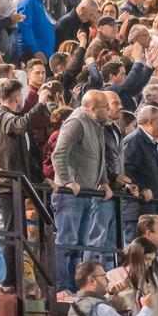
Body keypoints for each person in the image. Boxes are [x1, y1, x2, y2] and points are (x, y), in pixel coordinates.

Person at [52, 90, 112, 289]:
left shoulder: (97, 124)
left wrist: (104, 182)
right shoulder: (76, 122)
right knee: (67, 242)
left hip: (87, 193)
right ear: (93, 108)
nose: (109, 110)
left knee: (80, 244)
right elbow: (59, 153)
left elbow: (99, 157)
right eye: (106, 107)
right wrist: (67, 181)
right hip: (70, 195)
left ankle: (74, 285)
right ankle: (62, 286)